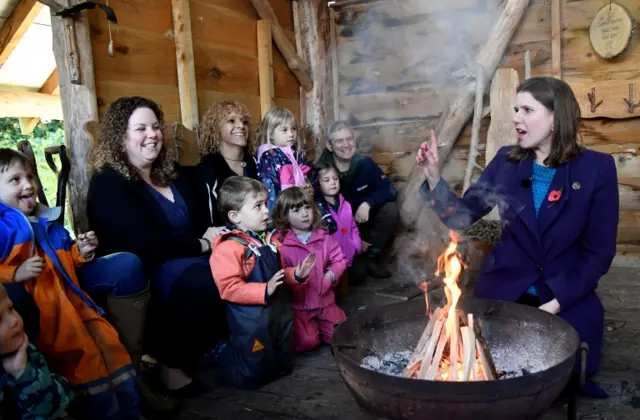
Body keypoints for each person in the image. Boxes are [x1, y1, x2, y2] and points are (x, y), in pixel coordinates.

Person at [416, 77, 618, 398]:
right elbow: (462, 217)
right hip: (506, 286)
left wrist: (556, 303)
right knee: (483, 362)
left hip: (565, 291)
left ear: (554, 118)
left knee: (564, 368)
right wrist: (434, 178)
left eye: (527, 110)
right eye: (515, 109)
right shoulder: (506, 162)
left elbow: (599, 253)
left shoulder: (596, 169)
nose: (516, 118)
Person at [87, 97, 223, 398]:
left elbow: (202, 219)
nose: (152, 134)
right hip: (148, 267)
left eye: (155, 127)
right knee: (205, 281)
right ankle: (169, 366)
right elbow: (138, 242)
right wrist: (200, 244)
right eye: (140, 129)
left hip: (190, 254)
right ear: (121, 136)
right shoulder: (109, 182)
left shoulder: (170, 173)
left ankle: (217, 351)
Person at [0, 148, 141, 418]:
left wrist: (81, 252)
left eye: (30, 176)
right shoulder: (4, 229)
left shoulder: (48, 223)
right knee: (83, 365)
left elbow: (64, 261)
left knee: (112, 350)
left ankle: (133, 409)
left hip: (78, 305)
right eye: (15, 180)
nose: (28, 184)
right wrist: (13, 274)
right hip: (53, 315)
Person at [210, 177, 315, 389]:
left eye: (266, 204)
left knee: (284, 362)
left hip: (280, 314)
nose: (266, 211)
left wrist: (296, 274)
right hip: (252, 322)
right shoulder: (228, 248)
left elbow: (280, 274)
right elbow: (228, 288)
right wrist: (264, 289)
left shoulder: (271, 240)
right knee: (253, 375)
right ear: (235, 216)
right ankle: (221, 351)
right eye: (258, 206)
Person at [317, 120, 398, 279]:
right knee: (356, 277)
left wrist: (368, 203)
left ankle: (371, 258)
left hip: (362, 227)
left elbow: (389, 189)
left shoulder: (365, 164)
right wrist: (352, 240)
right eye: (339, 141)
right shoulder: (322, 170)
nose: (346, 145)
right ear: (329, 145)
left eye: (349, 139)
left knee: (391, 210)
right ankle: (350, 261)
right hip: (337, 233)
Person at [274, 187, 348, 352]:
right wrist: (296, 275)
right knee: (308, 342)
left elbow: (340, 260)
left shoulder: (323, 238)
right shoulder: (281, 244)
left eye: (307, 207)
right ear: (285, 216)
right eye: (297, 210)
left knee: (341, 335)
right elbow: (280, 274)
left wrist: (330, 276)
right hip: (300, 307)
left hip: (325, 302)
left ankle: (326, 327)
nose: (305, 213)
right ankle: (309, 331)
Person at [0, 283, 74, 419]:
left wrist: (24, 374)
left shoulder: (24, 350)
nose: (14, 321)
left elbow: (59, 404)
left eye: (10, 309)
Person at [256, 107, 336, 232]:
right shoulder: (269, 157)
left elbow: (312, 183)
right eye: (284, 130)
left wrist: (311, 191)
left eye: (293, 129)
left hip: (304, 217)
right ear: (270, 134)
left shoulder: (297, 156)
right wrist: (274, 225)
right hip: (286, 222)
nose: (291, 134)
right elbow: (270, 192)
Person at [197, 100, 259, 229]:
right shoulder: (207, 169)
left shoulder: (256, 163)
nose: (241, 126)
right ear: (215, 128)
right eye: (231, 121)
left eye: (244, 121)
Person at [315, 161, 366, 285]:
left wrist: (356, 245)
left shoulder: (346, 204)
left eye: (335, 178)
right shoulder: (319, 209)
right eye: (326, 180)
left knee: (360, 276)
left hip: (349, 253)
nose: (332, 182)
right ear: (318, 184)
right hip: (331, 260)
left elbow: (353, 227)